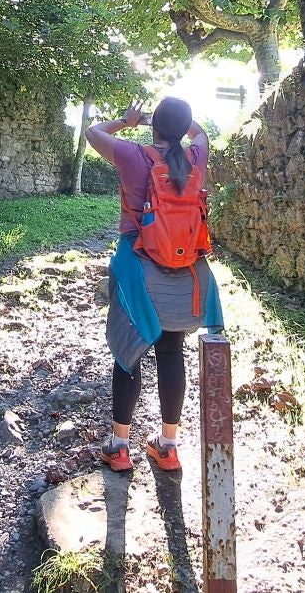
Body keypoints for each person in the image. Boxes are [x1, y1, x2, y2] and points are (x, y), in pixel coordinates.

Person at [85, 96, 223, 472]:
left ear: (154, 126)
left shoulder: (134, 156)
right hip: (187, 266)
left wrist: (129, 121)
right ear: (183, 129)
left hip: (138, 263)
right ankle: (168, 445)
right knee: (171, 351)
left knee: (128, 353)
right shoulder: (196, 157)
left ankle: (119, 446)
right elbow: (201, 133)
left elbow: (92, 132)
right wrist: (180, 125)